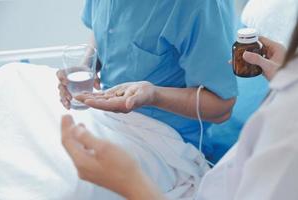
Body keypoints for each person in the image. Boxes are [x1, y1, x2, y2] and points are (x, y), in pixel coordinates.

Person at [61, 20, 298, 200]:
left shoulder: (288, 135)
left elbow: (221, 105)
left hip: (158, 141)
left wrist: (130, 183)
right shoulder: (287, 92)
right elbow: (103, 28)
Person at [57, 0, 238, 162]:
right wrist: (87, 66)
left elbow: (222, 107)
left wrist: (154, 95)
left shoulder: (196, 5)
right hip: (108, 118)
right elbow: (104, 28)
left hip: (165, 142)